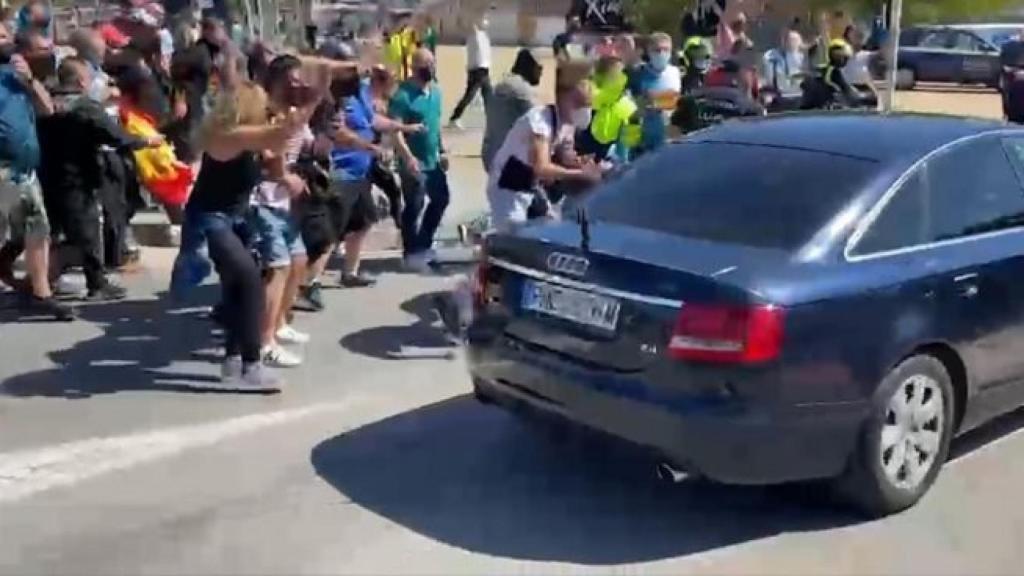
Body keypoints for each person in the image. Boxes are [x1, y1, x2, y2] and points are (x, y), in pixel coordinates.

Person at [183, 79, 316, 390]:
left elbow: (277, 151)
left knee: (235, 288)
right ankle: (252, 366)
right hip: (209, 219)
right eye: (263, 106)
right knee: (250, 281)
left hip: (236, 218)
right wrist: (312, 100)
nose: (268, 110)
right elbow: (279, 134)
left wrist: (286, 176)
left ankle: (232, 359)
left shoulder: (251, 142)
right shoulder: (227, 136)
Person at [37, 57, 160, 302]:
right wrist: (147, 141)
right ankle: (96, 283)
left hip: (46, 174)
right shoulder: (85, 107)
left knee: (47, 231)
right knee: (88, 231)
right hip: (78, 177)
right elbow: (116, 137)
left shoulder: (46, 102)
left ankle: (40, 281)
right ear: (82, 81)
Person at [0, 22, 73, 320]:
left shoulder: (13, 74)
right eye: (1, 35)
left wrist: (30, 81)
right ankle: (34, 291)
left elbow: (47, 110)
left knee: (36, 230)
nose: (7, 40)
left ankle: (40, 293)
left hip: (24, 168)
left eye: (7, 35)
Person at [486, 60, 602, 231]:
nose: (584, 111)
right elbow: (542, 168)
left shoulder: (567, 125)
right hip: (507, 186)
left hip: (530, 186)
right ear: (562, 98)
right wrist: (579, 174)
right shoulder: (540, 121)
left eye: (587, 105)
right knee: (513, 237)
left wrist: (584, 163)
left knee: (549, 229)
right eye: (579, 104)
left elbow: (566, 156)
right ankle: (481, 239)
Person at [252, 54, 316, 368]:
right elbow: (265, 152)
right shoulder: (265, 111)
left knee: (298, 261)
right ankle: (265, 342)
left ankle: (278, 324)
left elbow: (307, 143)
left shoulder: (291, 112)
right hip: (262, 199)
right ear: (277, 82)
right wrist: (283, 175)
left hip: (284, 201)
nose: (298, 86)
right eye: (292, 81)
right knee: (277, 267)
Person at [390, 47, 449, 272]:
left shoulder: (436, 93)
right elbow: (395, 131)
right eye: (426, 65)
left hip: (433, 160)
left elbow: (436, 126)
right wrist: (408, 158)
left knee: (441, 198)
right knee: (414, 204)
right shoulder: (403, 96)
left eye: (432, 64)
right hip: (412, 161)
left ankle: (423, 243)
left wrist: (442, 151)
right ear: (414, 67)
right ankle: (410, 251)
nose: (430, 69)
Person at [481, 48, 542, 172]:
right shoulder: (522, 90)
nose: (541, 73)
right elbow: (539, 126)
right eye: (539, 68)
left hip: (490, 156)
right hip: (509, 161)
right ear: (529, 67)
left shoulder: (501, 84)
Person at [577, 55, 640, 164]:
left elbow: (630, 143)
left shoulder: (629, 108)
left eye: (622, 74)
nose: (620, 78)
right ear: (601, 76)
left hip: (614, 164)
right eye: (615, 75)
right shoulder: (586, 99)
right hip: (583, 159)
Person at [635, 32, 681, 155]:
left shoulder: (675, 72)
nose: (661, 53)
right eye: (657, 50)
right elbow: (636, 104)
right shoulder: (639, 73)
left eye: (666, 49)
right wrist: (666, 99)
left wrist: (655, 100)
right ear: (649, 52)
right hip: (644, 139)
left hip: (668, 137)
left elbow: (677, 101)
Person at [448, 13, 492, 130]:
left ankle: (492, 118)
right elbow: (467, 24)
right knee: (470, 95)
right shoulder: (474, 34)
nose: (486, 22)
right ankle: (454, 118)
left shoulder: (483, 36)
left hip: (483, 69)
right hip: (477, 70)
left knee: (488, 95)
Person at [801, 39, 861, 110]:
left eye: (845, 57)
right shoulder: (832, 71)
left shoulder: (833, 70)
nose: (844, 60)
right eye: (841, 57)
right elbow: (844, 88)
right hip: (821, 106)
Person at [841, 25, 879, 108]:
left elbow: (868, 78)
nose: (857, 39)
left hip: (865, 90)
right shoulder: (841, 55)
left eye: (859, 36)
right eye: (854, 35)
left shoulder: (867, 55)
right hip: (849, 90)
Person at [762, 29, 806, 94]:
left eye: (794, 40)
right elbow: (770, 78)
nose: (791, 42)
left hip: (799, 94)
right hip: (779, 93)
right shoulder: (771, 56)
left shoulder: (803, 58)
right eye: (788, 39)